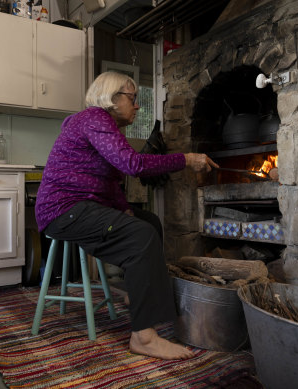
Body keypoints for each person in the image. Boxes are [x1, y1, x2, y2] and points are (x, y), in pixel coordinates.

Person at [34, 71, 218, 360]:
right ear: (111, 98)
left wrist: (125, 210)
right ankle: (143, 337)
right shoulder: (94, 118)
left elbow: (110, 180)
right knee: (140, 234)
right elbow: (132, 164)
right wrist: (185, 159)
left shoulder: (102, 127)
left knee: (149, 223)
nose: (137, 106)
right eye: (133, 98)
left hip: (84, 206)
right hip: (63, 209)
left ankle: (139, 293)